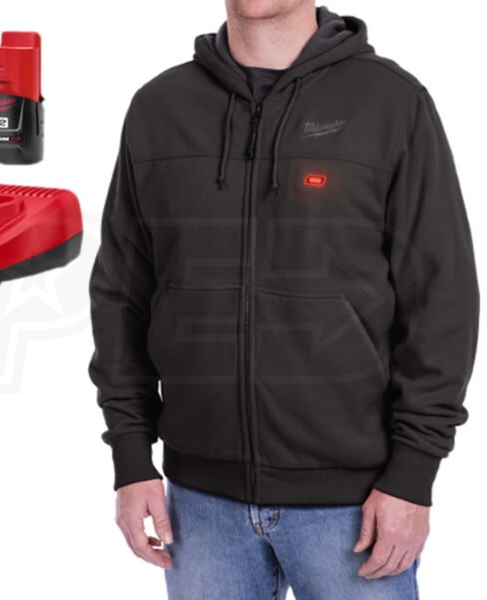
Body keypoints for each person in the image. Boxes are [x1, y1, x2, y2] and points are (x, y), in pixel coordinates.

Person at [89, 1, 479, 598]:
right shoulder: (159, 107)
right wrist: (131, 457)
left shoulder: (391, 103)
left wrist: (412, 473)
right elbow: (122, 292)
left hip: (355, 506)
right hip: (198, 506)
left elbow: (441, 298)